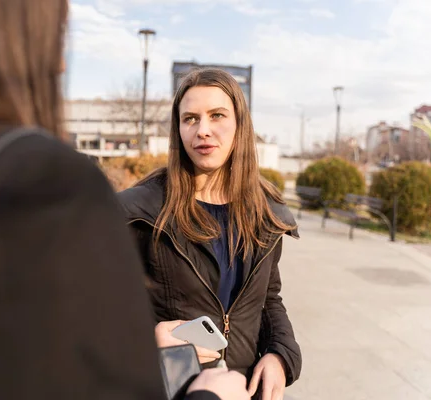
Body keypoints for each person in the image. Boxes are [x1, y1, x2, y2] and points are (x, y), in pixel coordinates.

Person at [0, 1, 249, 399]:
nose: (60, 63)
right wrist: (208, 396)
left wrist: (281, 353)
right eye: (54, 31)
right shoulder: (39, 185)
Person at [118, 68, 303, 400]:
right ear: (178, 129)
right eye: (190, 119)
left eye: (217, 115)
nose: (203, 130)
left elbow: (269, 301)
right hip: (171, 388)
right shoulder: (139, 212)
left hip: (243, 390)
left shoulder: (268, 213)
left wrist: (280, 354)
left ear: (239, 125)